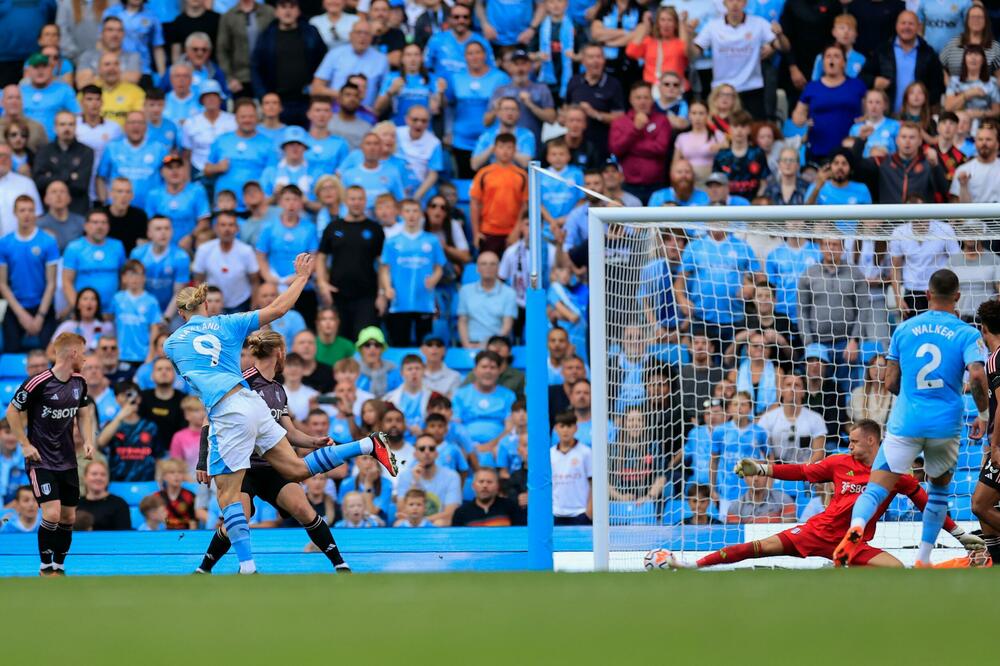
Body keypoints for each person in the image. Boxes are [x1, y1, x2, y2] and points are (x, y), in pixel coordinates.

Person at [164, 257, 397, 575]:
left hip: (227, 410)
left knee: (229, 498)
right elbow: (278, 309)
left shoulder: (171, 343)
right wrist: (301, 277)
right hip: (250, 402)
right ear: (206, 306)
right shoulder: (227, 322)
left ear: (181, 313)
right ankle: (368, 445)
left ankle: (247, 567)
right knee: (297, 469)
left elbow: (193, 375)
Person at [670, 419, 982, 568]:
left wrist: (958, 533)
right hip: (817, 532)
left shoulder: (894, 473)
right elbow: (801, 472)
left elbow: (927, 504)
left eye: (854, 441)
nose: (850, 446)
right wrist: (762, 469)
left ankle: (838, 574)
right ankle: (693, 565)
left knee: (897, 570)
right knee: (759, 547)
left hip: (854, 543)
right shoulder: (838, 463)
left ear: (871, 441)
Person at [835, 269, 990, 568]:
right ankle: (923, 558)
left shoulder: (904, 329)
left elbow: (890, 381)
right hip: (945, 424)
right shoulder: (966, 333)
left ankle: (856, 527)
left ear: (928, 294)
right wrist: (983, 414)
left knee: (875, 489)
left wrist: (908, 394)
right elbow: (976, 374)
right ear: (958, 296)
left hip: (906, 421)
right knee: (939, 492)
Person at [195, 331, 352, 574]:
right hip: (241, 467)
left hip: (272, 466)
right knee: (239, 520)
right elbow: (208, 420)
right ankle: (204, 569)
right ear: (279, 353)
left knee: (304, 510)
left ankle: (340, 565)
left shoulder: (278, 389)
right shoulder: (240, 382)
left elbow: (288, 431)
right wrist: (202, 460)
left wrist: (314, 441)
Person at [6, 333, 95, 574]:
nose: (85, 358)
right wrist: (25, 444)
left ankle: (59, 566)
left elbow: (83, 412)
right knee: (52, 514)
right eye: (83, 352)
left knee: (68, 518)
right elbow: (12, 411)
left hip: (67, 460)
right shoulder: (38, 382)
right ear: (73, 353)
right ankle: (45, 567)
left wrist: (88, 439)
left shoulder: (80, 382)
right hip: (41, 460)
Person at [689, 0, 788, 119]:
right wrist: (689, 35)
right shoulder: (713, 26)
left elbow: (784, 47)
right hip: (722, 89)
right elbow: (693, 53)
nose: (735, 4)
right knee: (720, 129)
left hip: (751, 88)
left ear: (745, 3)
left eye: (739, 0)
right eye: (731, 0)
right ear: (724, 3)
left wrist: (780, 35)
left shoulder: (759, 23)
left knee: (755, 128)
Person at [316, 185, 384, 341]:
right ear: (346, 201)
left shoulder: (375, 229)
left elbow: (383, 265)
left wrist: (382, 294)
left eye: (360, 199)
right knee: (340, 341)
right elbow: (321, 257)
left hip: (367, 296)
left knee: (365, 340)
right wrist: (322, 283)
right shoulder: (333, 227)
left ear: (365, 201)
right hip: (338, 295)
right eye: (353, 199)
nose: (356, 202)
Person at [379, 199, 445, 346]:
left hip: (424, 302)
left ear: (421, 214)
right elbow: (385, 269)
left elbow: (439, 267)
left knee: (425, 345)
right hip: (399, 303)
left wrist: (434, 279)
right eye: (407, 211)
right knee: (400, 344)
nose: (411, 215)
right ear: (401, 214)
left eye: (415, 211)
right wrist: (387, 288)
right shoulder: (392, 242)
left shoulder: (432, 240)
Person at [0, 196, 58, 352]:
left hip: (43, 306)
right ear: (15, 213)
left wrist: (40, 316)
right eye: (22, 210)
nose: (27, 214)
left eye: (31, 210)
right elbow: (2, 284)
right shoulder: (4, 243)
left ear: (36, 213)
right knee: (9, 353)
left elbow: (51, 283)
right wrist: (22, 315)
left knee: (51, 354)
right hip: (16, 306)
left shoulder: (48, 241)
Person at [791, 43, 868, 162]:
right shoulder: (812, 87)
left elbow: (869, 112)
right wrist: (800, 119)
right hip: (817, 150)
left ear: (844, 63)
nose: (832, 60)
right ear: (823, 63)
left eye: (836, 56)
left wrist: (865, 119)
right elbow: (798, 114)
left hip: (850, 151)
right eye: (828, 56)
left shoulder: (857, 85)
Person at [861, 10, 944, 115]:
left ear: (918, 27)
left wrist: (924, 104)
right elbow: (863, 76)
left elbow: (937, 86)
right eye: (903, 23)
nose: (906, 27)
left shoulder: (928, 53)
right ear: (896, 26)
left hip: (917, 117)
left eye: (911, 24)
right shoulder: (883, 51)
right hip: (887, 116)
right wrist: (874, 81)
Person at [608, 81, 670, 204]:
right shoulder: (619, 122)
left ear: (652, 100)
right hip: (628, 186)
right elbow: (616, 149)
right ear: (631, 100)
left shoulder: (662, 120)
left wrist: (630, 147)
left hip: (657, 186)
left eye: (646, 97)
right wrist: (635, 129)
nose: (642, 102)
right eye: (638, 98)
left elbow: (661, 148)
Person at [972, 298, 1000, 566]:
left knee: (980, 504)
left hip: (999, 445)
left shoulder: (995, 359)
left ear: (983, 329)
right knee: (986, 511)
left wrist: (995, 445)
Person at [889, 217, 959, 319]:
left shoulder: (945, 229)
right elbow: (895, 268)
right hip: (912, 293)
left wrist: (954, 297)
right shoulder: (899, 232)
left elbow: (957, 263)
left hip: (940, 292)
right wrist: (898, 299)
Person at [469, 134, 528, 255]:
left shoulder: (522, 175)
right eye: (501, 147)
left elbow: (525, 205)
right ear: (494, 149)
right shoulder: (483, 173)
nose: (505, 151)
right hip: (488, 232)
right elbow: (475, 203)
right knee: (488, 265)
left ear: (515, 150)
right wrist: (476, 233)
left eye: (509, 147)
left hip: (512, 233)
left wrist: (517, 230)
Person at [62, 208, 127, 316]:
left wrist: (120, 307)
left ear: (108, 226)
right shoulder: (74, 248)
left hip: (112, 312)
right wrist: (79, 309)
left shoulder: (117, 246)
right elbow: (67, 282)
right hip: (85, 313)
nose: (100, 226)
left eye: (104, 222)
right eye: (95, 222)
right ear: (85, 226)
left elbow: (124, 279)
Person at [191, 211, 259, 313]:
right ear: (215, 228)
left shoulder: (246, 251)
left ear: (237, 228)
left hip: (241, 304)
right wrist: (200, 310)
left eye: (231, 225)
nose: (227, 229)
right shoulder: (204, 250)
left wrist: (253, 310)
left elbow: (255, 281)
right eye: (223, 225)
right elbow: (198, 281)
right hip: (211, 305)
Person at [565, 43, 624, 159]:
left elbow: (620, 118)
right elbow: (566, 107)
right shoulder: (574, 81)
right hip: (576, 145)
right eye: (591, 57)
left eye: (598, 57)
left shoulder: (613, 84)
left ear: (604, 60)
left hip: (601, 143)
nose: (595, 61)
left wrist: (595, 114)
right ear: (583, 61)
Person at [32, 111, 94, 215]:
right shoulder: (44, 151)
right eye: (62, 124)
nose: (67, 128)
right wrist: (70, 176)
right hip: (49, 213)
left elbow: (81, 185)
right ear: (55, 128)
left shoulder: (86, 151)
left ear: (76, 127)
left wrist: (51, 176)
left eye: (71, 124)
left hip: (78, 210)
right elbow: (39, 182)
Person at [96, 381, 160, 481]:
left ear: (139, 398)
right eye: (124, 394)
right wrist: (119, 418)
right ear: (117, 399)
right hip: (117, 482)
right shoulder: (110, 424)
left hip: (146, 482)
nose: (128, 398)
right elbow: (100, 444)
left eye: (131, 394)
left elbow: (159, 456)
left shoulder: (150, 426)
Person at [393, 433, 461, 526]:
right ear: (415, 454)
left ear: (436, 453)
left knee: (440, 522)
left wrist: (423, 522)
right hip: (413, 523)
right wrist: (415, 483)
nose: (427, 452)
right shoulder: (405, 476)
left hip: (437, 525)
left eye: (431, 448)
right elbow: (401, 511)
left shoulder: (452, 476)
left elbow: (450, 513)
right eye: (422, 449)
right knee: (399, 524)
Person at [458, 252, 518, 349]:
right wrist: (466, 345)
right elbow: (462, 321)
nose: (488, 267)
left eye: (492, 264)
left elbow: (507, 325)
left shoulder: (510, 293)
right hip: (471, 344)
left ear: (499, 268)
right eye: (484, 264)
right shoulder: (465, 291)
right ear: (477, 268)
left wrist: (491, 345)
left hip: (497, 345)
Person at [451, 468, 522, 526]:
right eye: (481, 482)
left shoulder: (511, 507)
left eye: (489, 482)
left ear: (497, 486)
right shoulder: (461, 513)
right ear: (473, 486)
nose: (485, 485)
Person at [951, 123, 1000, 204]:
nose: (984, 143)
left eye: (988, 139)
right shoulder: (963, 170)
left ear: (997, 144)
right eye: (980, 139)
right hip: (972, 213)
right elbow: (955, 205)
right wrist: (963, 185)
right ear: (975, 143)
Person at [76, 459, 130, 530]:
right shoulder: (76, 504)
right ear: (85, 478)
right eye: (94, 474)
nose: (99, 478)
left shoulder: (119, 504)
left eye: (103, 474)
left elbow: (125, 534)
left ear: (108, 479)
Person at [848, 354, 895, 427]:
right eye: (873, 366)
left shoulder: (894, 394)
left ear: (887, 370)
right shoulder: (857, 393)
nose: (876, 369)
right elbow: (848, 421)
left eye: (881, 366)